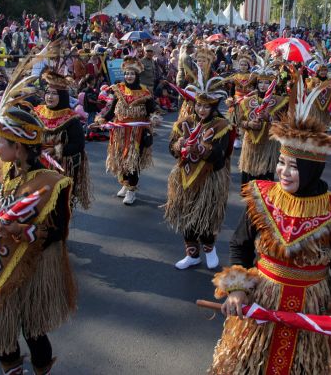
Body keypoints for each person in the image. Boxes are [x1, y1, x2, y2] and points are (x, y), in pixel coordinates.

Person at [210, 77, 331, 375]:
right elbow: (240, 245)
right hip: (263, 301)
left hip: (310, 309)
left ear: (311, 168)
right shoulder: (260, 196)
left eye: (293, 166)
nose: (283, 171)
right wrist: (237, 290)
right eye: (281, 162)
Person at [0, 103, 76, 375]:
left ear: (18, 147)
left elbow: (58, 232)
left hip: (34, 266)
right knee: (1, 328)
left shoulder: (52, 182)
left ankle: (41, 369)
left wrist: (21, 230)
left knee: (33, 330)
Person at [165, 74, 231, 270]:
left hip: (209, 178)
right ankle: (191, 254)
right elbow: (171, 149)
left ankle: (210, 250)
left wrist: (200, 149)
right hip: (184, 177)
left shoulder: (221, 125)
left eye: (206, 106)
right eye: (199, 105)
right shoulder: (184, 123)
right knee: (186, 215)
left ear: (213, 107)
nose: (201, 110)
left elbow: (220, 156)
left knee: (206, 215)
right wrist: (178, 145)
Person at [95, 56, 160, 205]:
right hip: (120, 132)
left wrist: (155, 117)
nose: (128, 76)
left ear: (136, 75)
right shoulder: (119, 90)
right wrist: (102, 119)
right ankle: (125, 184)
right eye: (126, 73)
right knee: (122, 160)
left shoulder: (145, 92)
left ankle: (131, 190)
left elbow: (153, 110)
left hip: (137, 133)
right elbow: (111, 111)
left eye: (131, 73)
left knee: (133, 161)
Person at [33, 70, 92, 210]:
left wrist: (56, 150)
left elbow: (78, 145)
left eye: (54, 93)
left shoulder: (71, 119)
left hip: (63, 166)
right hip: (39, 164)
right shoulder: (37, 113)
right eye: (48, 92)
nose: (50, 96)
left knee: (60, 204)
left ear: (62, 96)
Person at [238, 63, 288, 185]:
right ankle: (249, 203)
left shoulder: (280, 101)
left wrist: (269, 118)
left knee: (265, 179)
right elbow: (238, 121)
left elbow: (285, 125)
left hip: (268, 144)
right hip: (250, 145)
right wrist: (249, 124)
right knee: (248, 178)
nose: (263, 85)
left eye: (267, 83)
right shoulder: (247, 101)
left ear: (272, 85)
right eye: (260, 82)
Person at [227, 52, 254, 150]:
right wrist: (230, 97)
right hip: (237, 99)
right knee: (236, 119)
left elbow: (255, 88)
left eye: (245, 65)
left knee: (247, 118)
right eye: (241, 64)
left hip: (248, 100)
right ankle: (237, 138)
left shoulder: (252, 76)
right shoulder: (235, 75)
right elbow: (232, 89)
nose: (243, 66)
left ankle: (246, 138)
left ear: (248, 66)